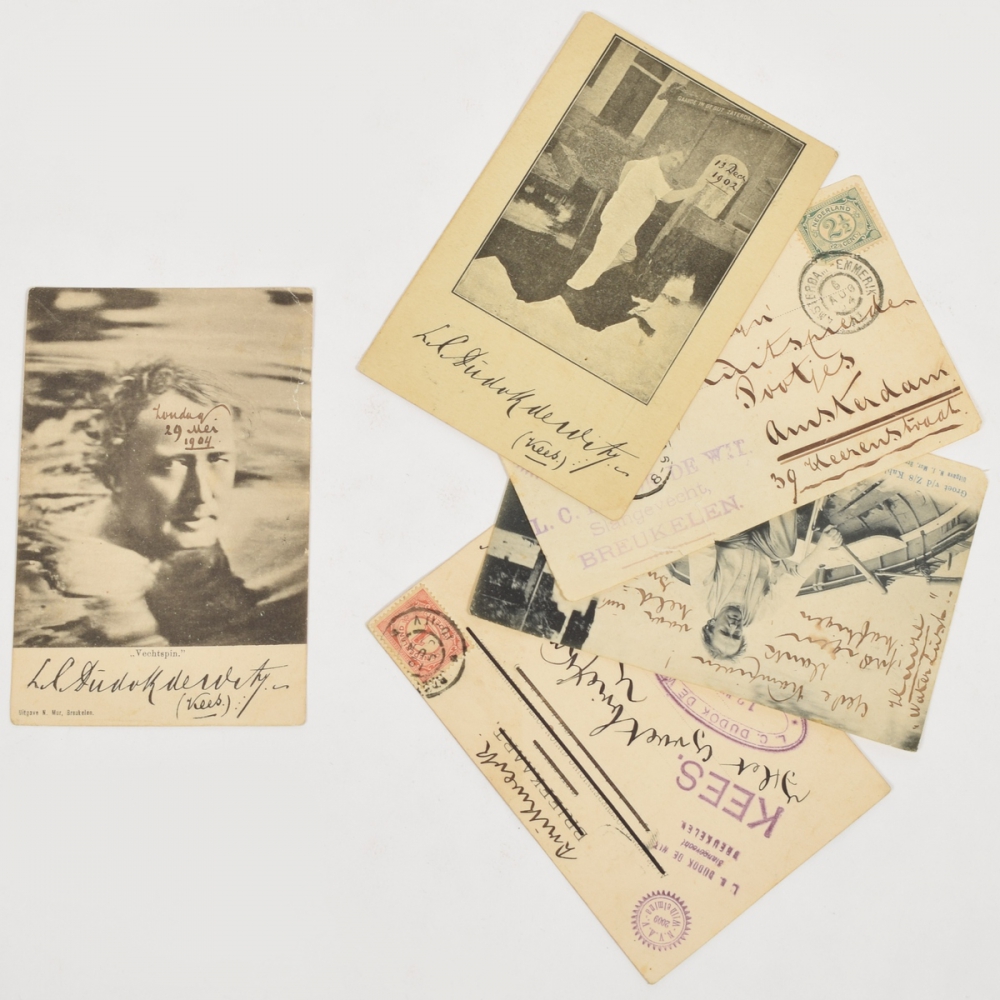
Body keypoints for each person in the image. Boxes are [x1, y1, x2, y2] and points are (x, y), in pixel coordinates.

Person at [31, 361, 305, 646]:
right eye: (173, 464)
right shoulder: (102, 571)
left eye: (217, 458)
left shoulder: (261, 514)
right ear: (114, 476)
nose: (202, 493)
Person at [690, 510, 843, 661]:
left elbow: (703, 544)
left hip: (730, 538)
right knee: (785, 550)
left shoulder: (703, 594)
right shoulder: (761, 613)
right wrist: (823, 546)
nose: (734, 627)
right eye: (736, 635)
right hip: (764, 547)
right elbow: (796, 577)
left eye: (725, 632)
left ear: (711, 625)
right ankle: (783, 497)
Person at [566, 146, 704, 291]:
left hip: (627, 220)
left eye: (678, 163)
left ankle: (590, 272)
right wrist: (695, 189)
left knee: (628, 254)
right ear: (663, 152)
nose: (674, 164)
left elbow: (629, 164)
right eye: (673, 158)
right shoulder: (653, 170)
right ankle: (575, 285)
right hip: (621, 218)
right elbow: (668, 197)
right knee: (604, 254)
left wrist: (623, 192)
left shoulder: (644, 164)